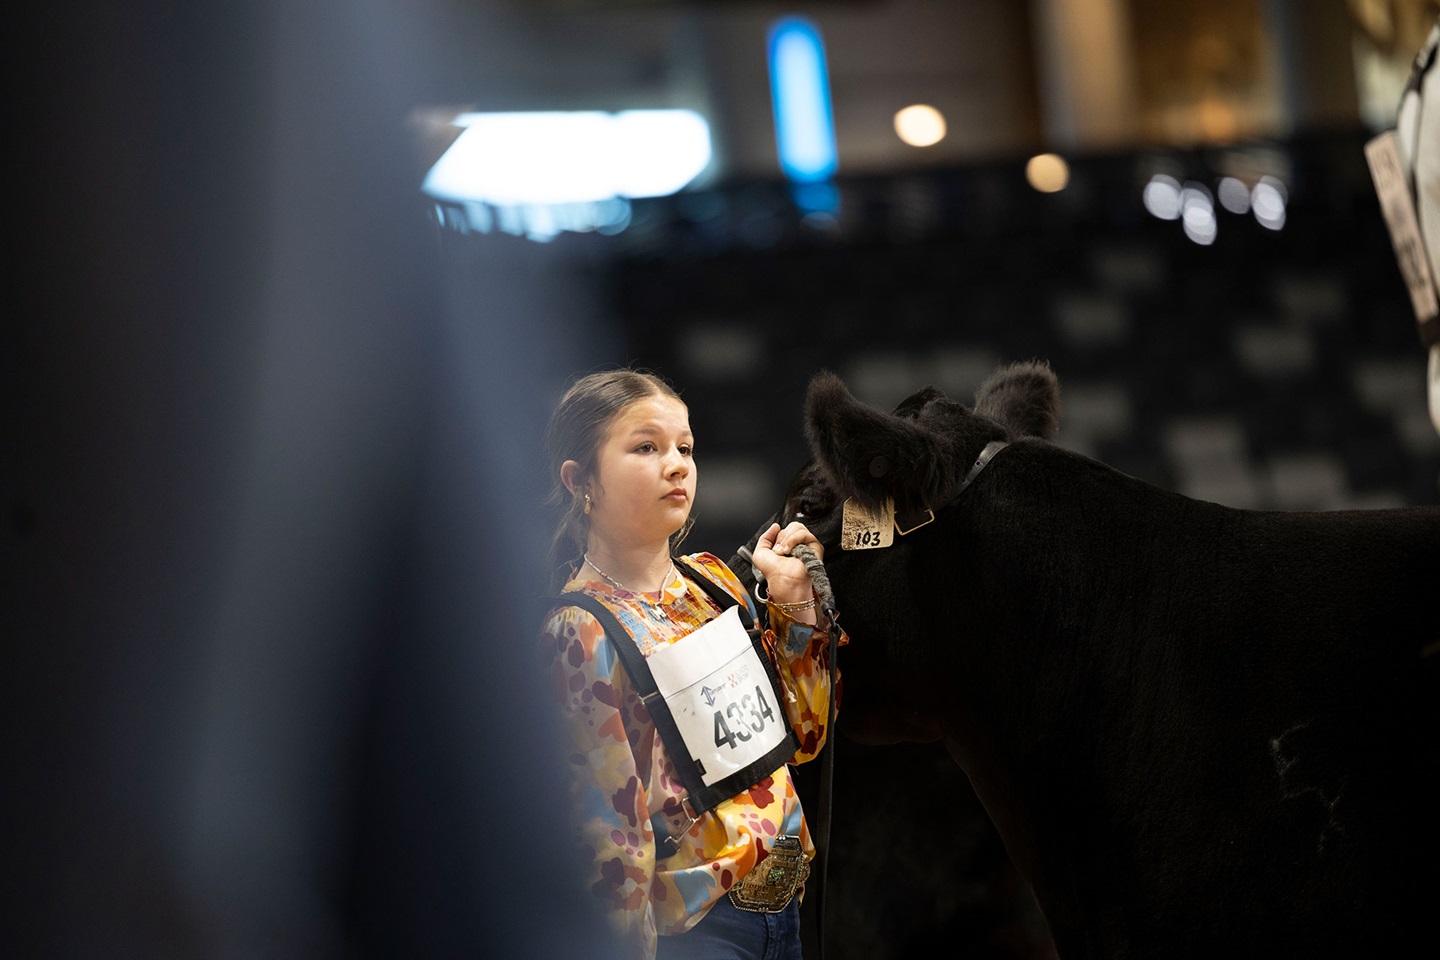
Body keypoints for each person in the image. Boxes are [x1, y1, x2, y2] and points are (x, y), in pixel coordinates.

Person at [538, 368, 843, 960]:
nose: (676, 464)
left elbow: (804, 739)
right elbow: (612, 841)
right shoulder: (579, 631)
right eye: (646, 447)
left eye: (685, 447)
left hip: (786, 911)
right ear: (581, 480)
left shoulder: (716, 583)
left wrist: (796, 606)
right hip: (699, 934)